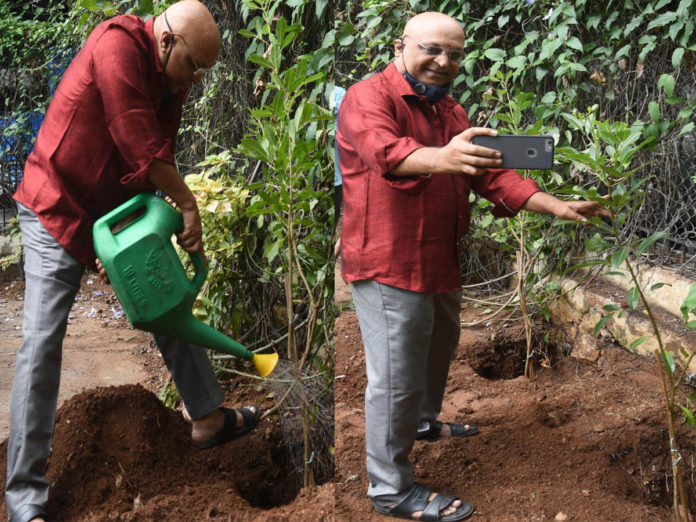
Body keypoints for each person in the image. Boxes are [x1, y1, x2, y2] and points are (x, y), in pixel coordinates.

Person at [336, 11, 609, 521]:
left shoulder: (452, 113)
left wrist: (556, 205)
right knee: (394, 373)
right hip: (388, 259)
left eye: (455, 54)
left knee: (439, 345)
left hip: (439, 256)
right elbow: (387, 152)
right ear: (402, 45)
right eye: (433, 49)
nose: (444, 62)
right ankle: (390, 488)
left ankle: (420, 423)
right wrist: (445, 157)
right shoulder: (368, 97)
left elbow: (493, 179)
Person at [8, 2, 259, 521]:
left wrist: (124, 245)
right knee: (42, 339)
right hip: (56, 205)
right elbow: (136, 139)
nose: (194, 81)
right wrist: (186, 206)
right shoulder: (116, 43)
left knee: (166, 295)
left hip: (111, 216)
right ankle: (24, 497)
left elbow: (152, 161)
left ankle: (208, 417)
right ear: (166, 42)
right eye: (193, 66)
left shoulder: (174, 80)